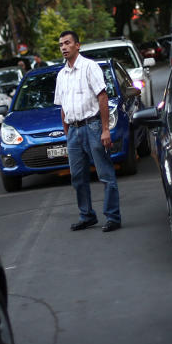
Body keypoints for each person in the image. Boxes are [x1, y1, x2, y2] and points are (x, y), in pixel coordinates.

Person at [53, 30, 121, 233]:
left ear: (77, 45)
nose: (63, 47)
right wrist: (67, 134)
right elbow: (63, 107)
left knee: (105, 174)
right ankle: (87, 215)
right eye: (61, 44)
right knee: (77, 177)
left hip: (93, 127)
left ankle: (112, 216)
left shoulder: (90, 67)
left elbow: (103, 97)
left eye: (67, 43)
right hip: (73, 131)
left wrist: (105, 129)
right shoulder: (61, 75)